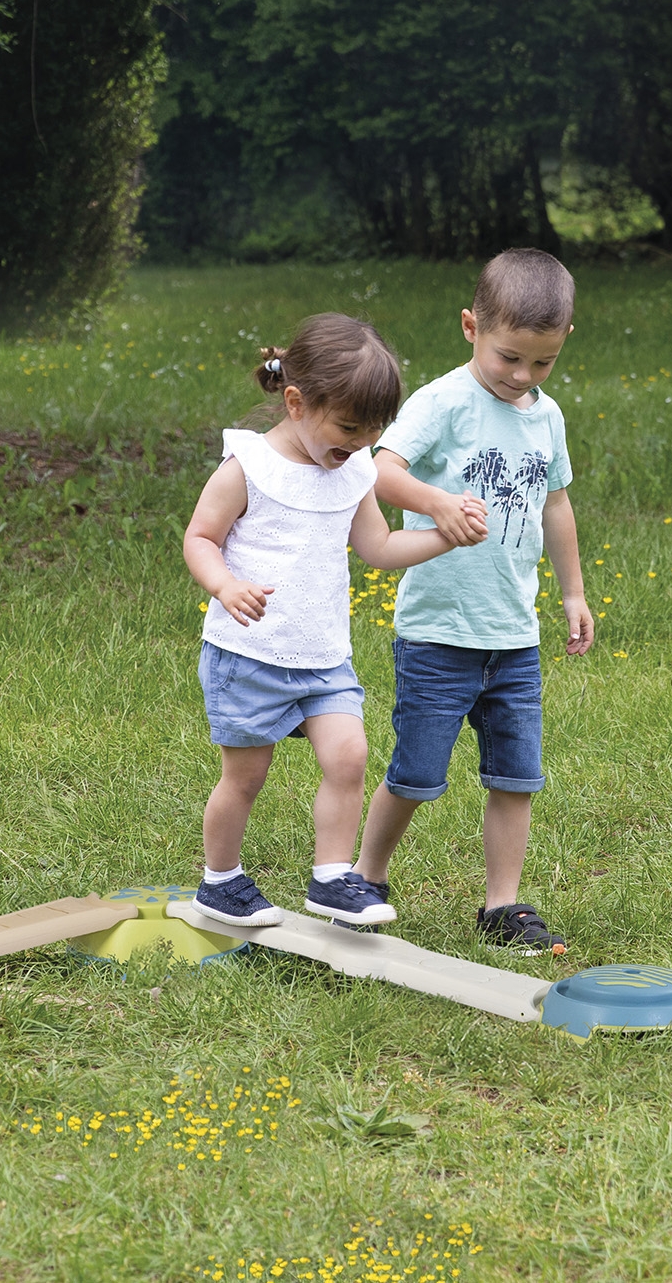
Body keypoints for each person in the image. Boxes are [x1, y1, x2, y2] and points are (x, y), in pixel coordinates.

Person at [180, 313, 469, 927]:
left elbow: (381, 550)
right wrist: (224, 584)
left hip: (323, 656)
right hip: (249, 655)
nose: (358, 445)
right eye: (346, 429)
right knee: (246, 777)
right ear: (295, 402)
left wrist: (444, 537)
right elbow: (201, 537)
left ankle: (334, 878)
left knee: (349, 757)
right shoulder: (248, 467)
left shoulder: (355, 470)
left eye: (372, 434)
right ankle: (220, 881)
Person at [352, 248, 593, 954]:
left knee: (516, 776)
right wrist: (436, 503)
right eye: (509, 357)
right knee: (417, 774)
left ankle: (503, 906)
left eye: (541, 362)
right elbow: (381, 471)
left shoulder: (546, 417)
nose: (523, 376)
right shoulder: (443, 402)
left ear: (563, 344)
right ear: (470, 327)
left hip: (513, 635)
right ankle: (364, 879)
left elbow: (556, 505)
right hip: (438, 630)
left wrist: (572, 591)